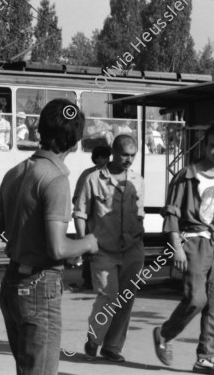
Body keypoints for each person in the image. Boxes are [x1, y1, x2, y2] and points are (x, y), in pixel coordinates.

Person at [0, 99, 99, 375]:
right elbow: (57, 248)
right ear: (75, 143)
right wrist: (88, 242)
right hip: (39, 288)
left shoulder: (14, 173)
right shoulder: (56, 180)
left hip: (12, 283)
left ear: (40, 131)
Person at [153, 122, 214, 375]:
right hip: (193, 242)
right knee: (196, 299)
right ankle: (164, 333)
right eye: (213, 146)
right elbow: (172, 214)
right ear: (204, 145)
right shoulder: (187, 175)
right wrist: (176, 247)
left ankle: (206, 358)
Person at [73, 135, 144, 363]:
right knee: (108, 296)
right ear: (113, 152)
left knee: (126, 299)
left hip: (132, 249)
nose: (129, 160)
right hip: (102, 249)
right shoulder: (93, 179)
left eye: (133, 155)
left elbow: (140, 213)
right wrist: (85, 244)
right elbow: (80, 213)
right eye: (125, 154)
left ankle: (112, 347)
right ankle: (95, 339)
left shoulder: (137, 180)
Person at [70, 145, 112, 291]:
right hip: (89, 219)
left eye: (105, 157)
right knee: (89, 250)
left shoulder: (111, 174)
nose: (103, 160)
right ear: (95, 158)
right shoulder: (87, 175)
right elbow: (77, 197)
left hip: (105, 220)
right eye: (100, 157)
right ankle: (88, 280)